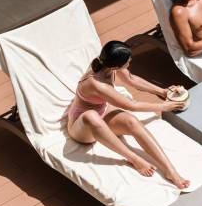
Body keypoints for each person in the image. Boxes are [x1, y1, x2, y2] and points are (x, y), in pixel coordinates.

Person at [67, 40, 190, 189]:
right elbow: (132, 105)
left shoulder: (107, 63)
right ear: (116, 66)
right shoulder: (97, 83)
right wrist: (163, 106)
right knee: (91, 116)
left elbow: (131, 79)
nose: (131, 60)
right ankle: (134, 159)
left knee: (131, 122)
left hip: (102, 111)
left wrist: (163, 92)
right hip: (82, 127)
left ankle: (171, 171)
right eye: (128, 60)